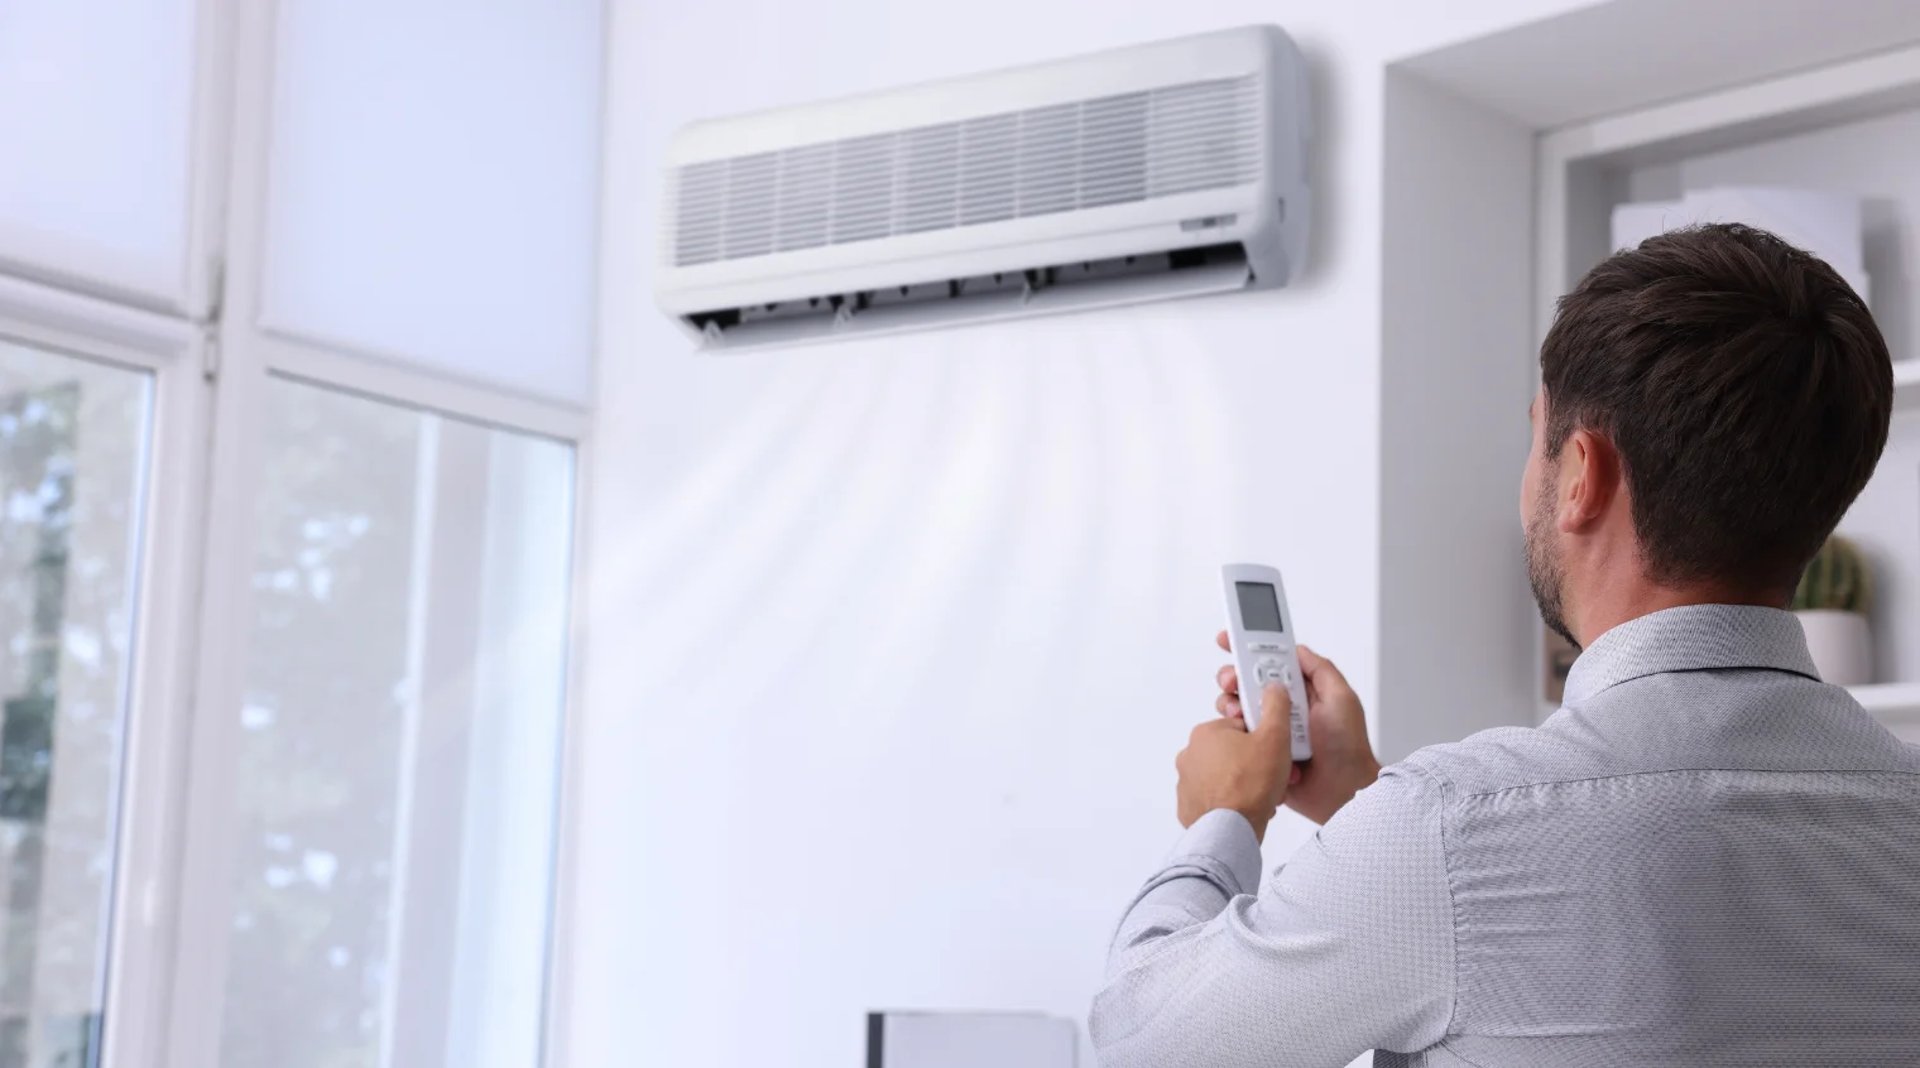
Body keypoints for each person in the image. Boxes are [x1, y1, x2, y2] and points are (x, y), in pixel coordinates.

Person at [1088, 223, 1920, 1067]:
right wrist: (1362, 811)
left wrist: (1225, 815)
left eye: (1536, 437)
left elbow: (1142, 1043)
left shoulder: (1443, 831)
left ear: (1581, 476)